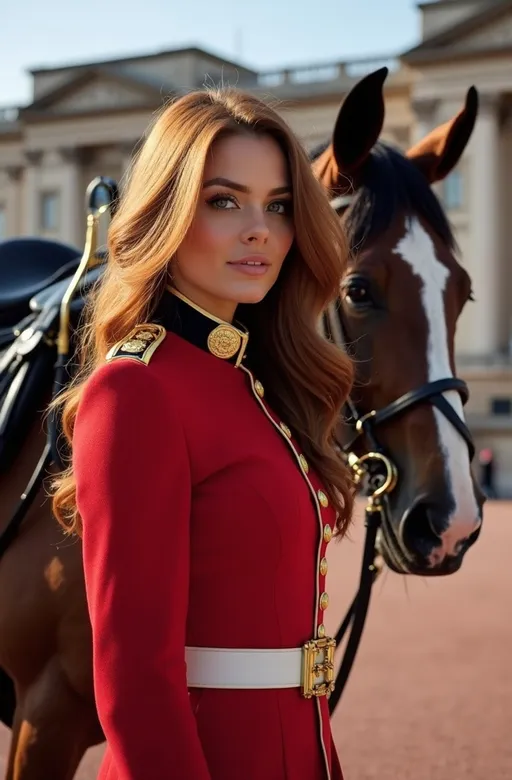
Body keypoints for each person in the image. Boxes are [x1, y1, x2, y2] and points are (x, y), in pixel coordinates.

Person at [50, 86, 356, 780]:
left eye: (278, 206)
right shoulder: (137, 390)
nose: (261, 230)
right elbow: (136, 681)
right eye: (225, 201)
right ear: (167, 213)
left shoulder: (258, 382)